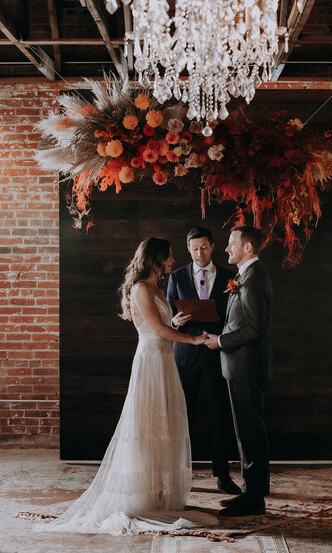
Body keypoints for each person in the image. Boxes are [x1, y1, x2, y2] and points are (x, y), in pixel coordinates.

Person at [33, 237, 217, 535]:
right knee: (148, 426)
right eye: (169, 257)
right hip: (150, 363)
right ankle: (141, 495)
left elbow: (162, 325)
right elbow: (156, 330)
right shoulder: (142, 288)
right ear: (156, 260)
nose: (173, 261)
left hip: (164, 362)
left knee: (165, 425)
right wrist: (194, 339)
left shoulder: (157, 287)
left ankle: (159, 494)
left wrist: (178, 322)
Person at [204, 226, 273, 517]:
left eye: (232, 244)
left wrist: (219, 341)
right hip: (238, 366)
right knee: (245, 432)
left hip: (245, 366)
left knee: (250, 432)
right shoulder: (246, 275)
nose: (227, 249)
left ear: (247, 247)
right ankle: (250, 492)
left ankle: (254, 499)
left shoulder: (254, 278)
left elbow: (254, 328)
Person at [167, 227, 240, 495]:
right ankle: (177, 474)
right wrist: (175, 321)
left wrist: (219, 334)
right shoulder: (175, 277)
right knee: (181, 416)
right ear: (188, 249)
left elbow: (235, 317)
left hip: (216, 354)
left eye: (204, 247)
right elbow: (168, 316)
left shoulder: (230, 277)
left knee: (219, 416)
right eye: (195, 248)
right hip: (185, 355)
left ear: (213, 247)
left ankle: (223, 475)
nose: (200, 253)